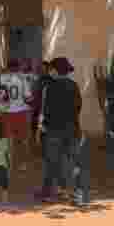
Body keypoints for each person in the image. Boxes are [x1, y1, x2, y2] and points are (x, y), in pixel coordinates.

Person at [37, 57, 81, 202]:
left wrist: (40, 128)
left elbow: (44, 110)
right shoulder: (74, 86)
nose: (49, 72)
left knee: (52, 162)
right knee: (71, 162)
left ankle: (52, 193)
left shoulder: (48, 88)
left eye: (51, 69)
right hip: (72, 129)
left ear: (55, 70)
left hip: (53, 130)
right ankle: (74, 193)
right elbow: (77, 108)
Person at [0, 59, 33, 172]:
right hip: (21, 112)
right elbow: (28, 97)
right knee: (22, 140)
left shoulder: (1, 79)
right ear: (18, 67)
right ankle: (22, 164)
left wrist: (4, 105)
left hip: (6, 113)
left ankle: (7, 163)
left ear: (7, 67)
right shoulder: (22, 79)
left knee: (6, 139)